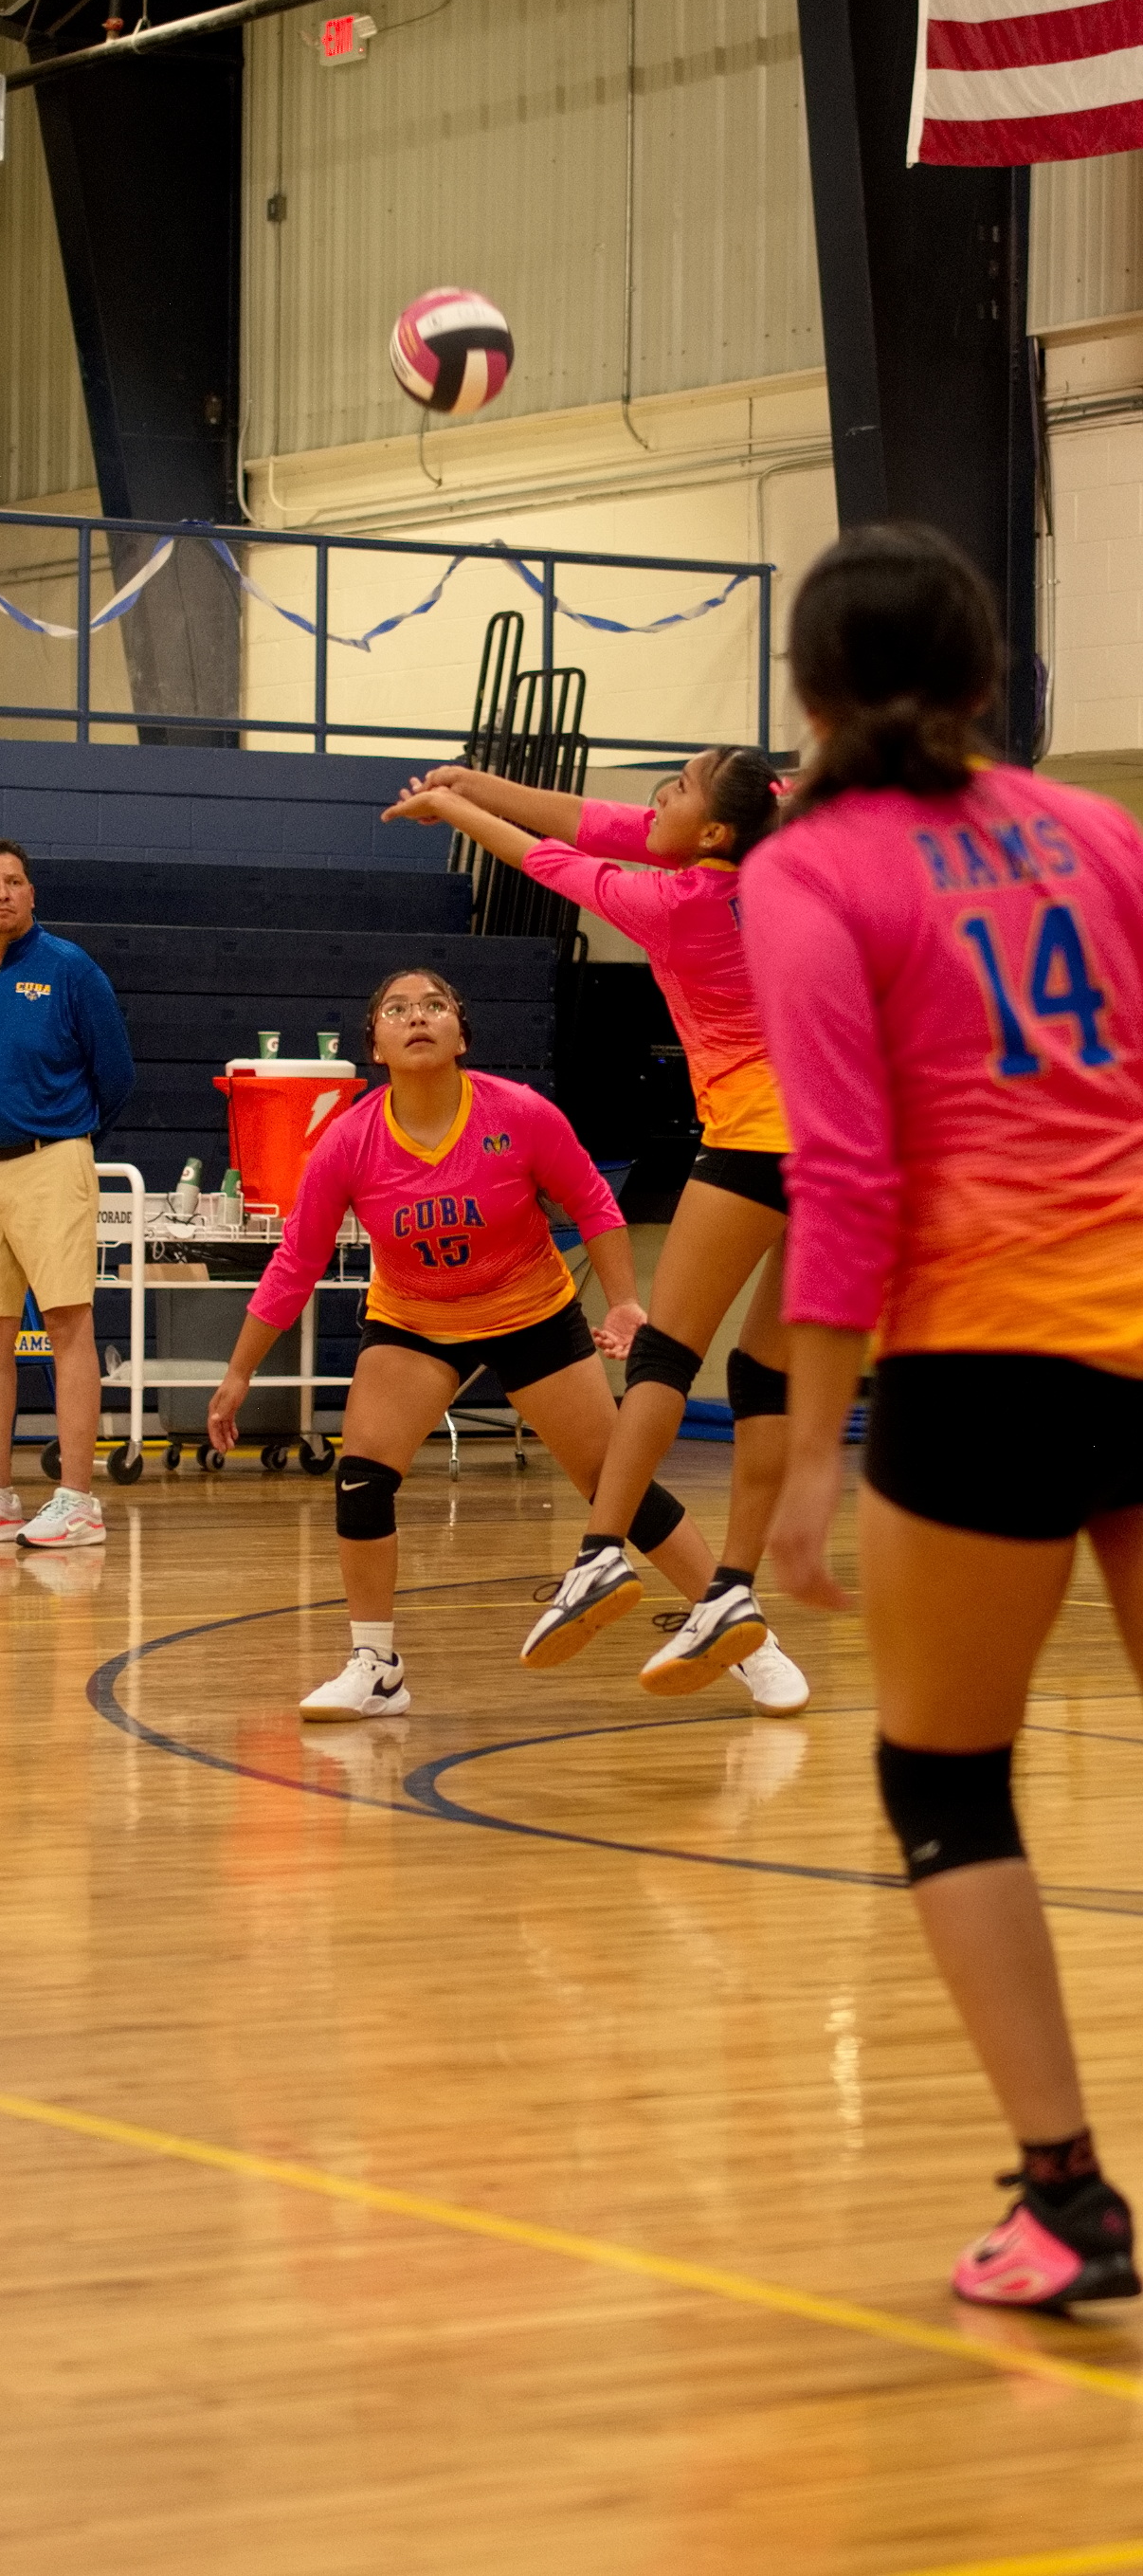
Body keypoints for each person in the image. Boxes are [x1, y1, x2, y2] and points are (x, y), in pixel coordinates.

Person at [749, 523, 1143, 2314]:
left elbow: (843, 1173)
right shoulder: (1104, 836)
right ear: (992, 678)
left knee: (947, 1774)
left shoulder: (814, 867)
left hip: (988, 1362)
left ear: (813, 693)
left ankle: (1067, 2199)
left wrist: (811, 1455)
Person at [206, 967, 795, 1720]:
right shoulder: (348, 1142)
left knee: (620, 1486)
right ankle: (374, 1666)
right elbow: (296, 1263)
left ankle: (746, 1637)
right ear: (375, 1048)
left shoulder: (518, 1112)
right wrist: (238, 1373)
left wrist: (624, 1306)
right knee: (360, 1479)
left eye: (434, 1005)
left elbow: (592, 1202)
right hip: (415, 1324)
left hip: (531, 1314)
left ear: (461, 1033)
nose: (416, 1016)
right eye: (396, 1009)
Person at [387, 752, 808, 1713]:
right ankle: (732, 1585)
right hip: (850, 1143)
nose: (654, 794)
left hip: (756, 1133)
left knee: (663, 1352)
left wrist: (457, 809)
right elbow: (586, 817)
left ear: (709, 832)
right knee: (762, 1375)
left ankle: (597, 1555)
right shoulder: (781, 859)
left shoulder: (676, 905)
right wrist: (470, 784)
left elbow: (546, 858)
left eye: (679, 787)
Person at [0, 837, 136, 1553]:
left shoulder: (71, 968)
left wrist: (67, 1140)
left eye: (15, 881)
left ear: (32, 894)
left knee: (67, 1323)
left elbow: (116, 1075)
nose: (4, 893)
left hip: (52, 1162)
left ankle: (77, 1501)